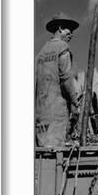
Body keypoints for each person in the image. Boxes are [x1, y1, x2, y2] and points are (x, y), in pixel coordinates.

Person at [35, 12, 80, 149]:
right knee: (55, 152)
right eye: (69, 30)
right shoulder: (63, 47)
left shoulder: (41, 52)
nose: (71, 34)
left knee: (43, 149)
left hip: (40, 112)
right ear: (60, 28)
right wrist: (74, 102)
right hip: (56, 111)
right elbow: (66, 78)